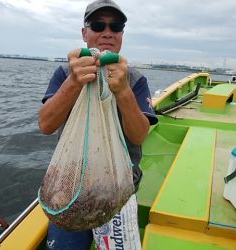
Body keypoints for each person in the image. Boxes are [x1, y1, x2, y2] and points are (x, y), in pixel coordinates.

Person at [38, 0, 158, 249]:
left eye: (116, 26)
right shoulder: (65, 72)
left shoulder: (134, 78)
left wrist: (123, 91)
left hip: (119, 186)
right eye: (97, 25)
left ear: (122, 34)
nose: (107, 32)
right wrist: (73, 81)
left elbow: (138, 136)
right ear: (85, 33)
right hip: (70, 188)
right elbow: (46, 125)